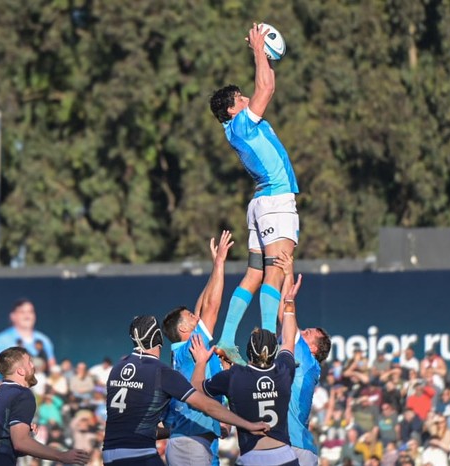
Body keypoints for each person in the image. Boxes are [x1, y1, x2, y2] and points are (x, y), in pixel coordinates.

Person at [208, 24, 299, 363]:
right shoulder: (243, 123)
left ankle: (229, 339)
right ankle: (266, 346)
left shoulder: (234, 127)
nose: (247, 99)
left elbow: (266, 83)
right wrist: (259, 49)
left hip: (261, 203)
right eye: (241, 99)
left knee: (255, 274)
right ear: (233, 109)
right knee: (274, 272)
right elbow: (267, 86)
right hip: (276, 203)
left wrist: (264, 54)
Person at [102, 315, 270, 466]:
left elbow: (137, 426)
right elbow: (206, 405)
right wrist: (248, 425)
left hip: (109, 454)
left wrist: (176, 429)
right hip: (140, 455)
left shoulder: (117, 369)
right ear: (159, 338)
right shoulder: (161, 372)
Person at [190, 265, 302, 466]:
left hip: (252, 457)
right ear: (274, 353)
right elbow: (289, 340)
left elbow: (196, 388)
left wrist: (200, 363)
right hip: (285, 455)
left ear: (247, 351)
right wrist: (289, 304)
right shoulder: (284, 370)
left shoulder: (234, 375)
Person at [161, 230, 234, 466]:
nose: (197, 317)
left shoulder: (183, 350)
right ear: (184, 329)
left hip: (197, 438)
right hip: (192, 442)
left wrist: (214, 268)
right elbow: (212, 307)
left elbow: (202, 306)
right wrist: (221, 262)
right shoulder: (191, 346)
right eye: (192, 318)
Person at [0, 347, 90, 465]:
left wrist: (27, 436)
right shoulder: (21, 394)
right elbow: (20, 443)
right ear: (20, 371)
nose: (33, 366)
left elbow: (1, 443)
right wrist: (61, 456)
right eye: (29, 363)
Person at [275, 253, 332, 466]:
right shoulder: (305, 361)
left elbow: (285, 314)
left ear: (314, 348)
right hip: (294, 445)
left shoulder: (305, 357)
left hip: (294, 446)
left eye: (307, 332)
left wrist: (288, 273)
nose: (302, 331)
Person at [0, 299, 56, 367]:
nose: (27, 316)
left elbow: (52, 366)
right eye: (22, 312)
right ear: (12, 316)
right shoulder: (1, 340)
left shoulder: (44, 340)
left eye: (30, 312)